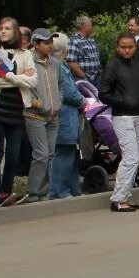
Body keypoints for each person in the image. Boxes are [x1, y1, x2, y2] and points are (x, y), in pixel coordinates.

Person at [99, 32, 139, 212]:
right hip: (122, 116)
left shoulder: (138, 64)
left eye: (130, 47)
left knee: (135, 157)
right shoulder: (112, 66)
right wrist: (124, 101)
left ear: (135, 47)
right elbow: (103, 93)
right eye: (123, 47)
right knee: (130, 156)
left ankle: (126, 196)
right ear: (117, 47)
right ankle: (118, 199)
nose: (127, 50)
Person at [0, 18, 34, 207]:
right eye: (1, 28)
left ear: (16, 32)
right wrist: (20, 78)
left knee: (14, 153)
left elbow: (34, 81)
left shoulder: (25, 54)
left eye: (8, 28)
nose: (3, 31)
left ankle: (7, 192)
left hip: (16, 108)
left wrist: (8, 76)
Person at [20, 29, 62, 203]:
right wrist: (33, 100)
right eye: (46, 42)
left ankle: (43, 192)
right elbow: (22, 84)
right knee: (41, 153)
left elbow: (60, 85)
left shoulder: (55, 63)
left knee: (50, 155)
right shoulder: (27, 61)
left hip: (53, 115)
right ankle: (32, 192)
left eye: (51, 42)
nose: (50, 45)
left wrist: (59, 101)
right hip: (35, 115)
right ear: (36, 44)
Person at [49, 33, 85, 199]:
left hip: (63, 115)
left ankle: (72, 188)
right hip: (65, 116)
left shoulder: (54, 65)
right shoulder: (60, 67)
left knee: (69, 153)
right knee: (64, 153)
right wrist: (84, 101)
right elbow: (70, 92)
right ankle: (59, 191)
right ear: (64, 49)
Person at [67, 16, 101, 84]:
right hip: (83, 80)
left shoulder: (91, 40)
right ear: (85, 26)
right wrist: (84, 77)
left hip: (96, 79)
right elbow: (71, 63)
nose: (92, 28)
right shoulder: (74, 41)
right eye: (91, 25)